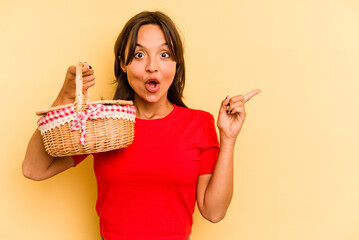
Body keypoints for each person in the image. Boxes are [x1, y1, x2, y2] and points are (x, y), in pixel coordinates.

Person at [22, 11, 261, 240]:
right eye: (139, 55)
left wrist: (228, 138)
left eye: (164, 54)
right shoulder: (105, 121)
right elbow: (34, 169)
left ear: (177, 64)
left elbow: (214, 211)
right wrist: (66, 96)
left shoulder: (199, 123)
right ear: (122, 64)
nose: (151, 66)